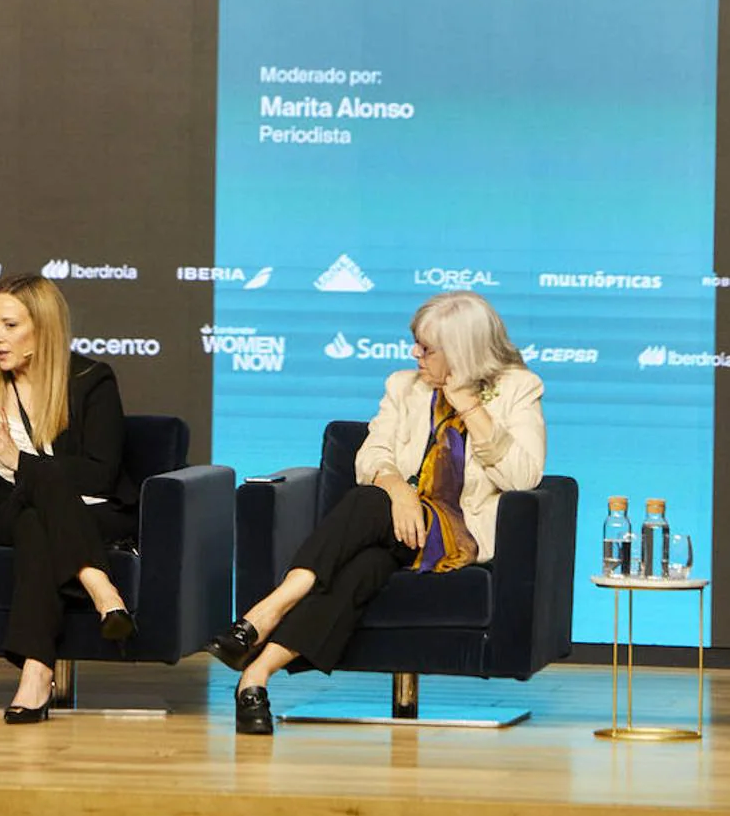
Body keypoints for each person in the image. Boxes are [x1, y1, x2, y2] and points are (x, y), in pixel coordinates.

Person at [207, 290, 546, 734]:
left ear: (461, 352)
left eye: (427, 348)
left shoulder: (519, 388)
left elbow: (523, 477)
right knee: (360, 566)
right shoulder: (403, 386)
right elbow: (372, 455)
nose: (415, 355)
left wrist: (470, 406)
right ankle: (255, 678)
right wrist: (398, 491)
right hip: (397, 528)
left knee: (366, 503)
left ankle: (268, 610)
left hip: (457, 533)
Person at [0, 273, 137, 723]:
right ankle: (100, 586)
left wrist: (21, 464)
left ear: (43, 328)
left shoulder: (92, 380)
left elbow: (101, 473)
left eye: (10, 326)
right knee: (29, 509)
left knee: (37, 516)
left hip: (91, 512)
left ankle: (35, 673)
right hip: (5, 511)